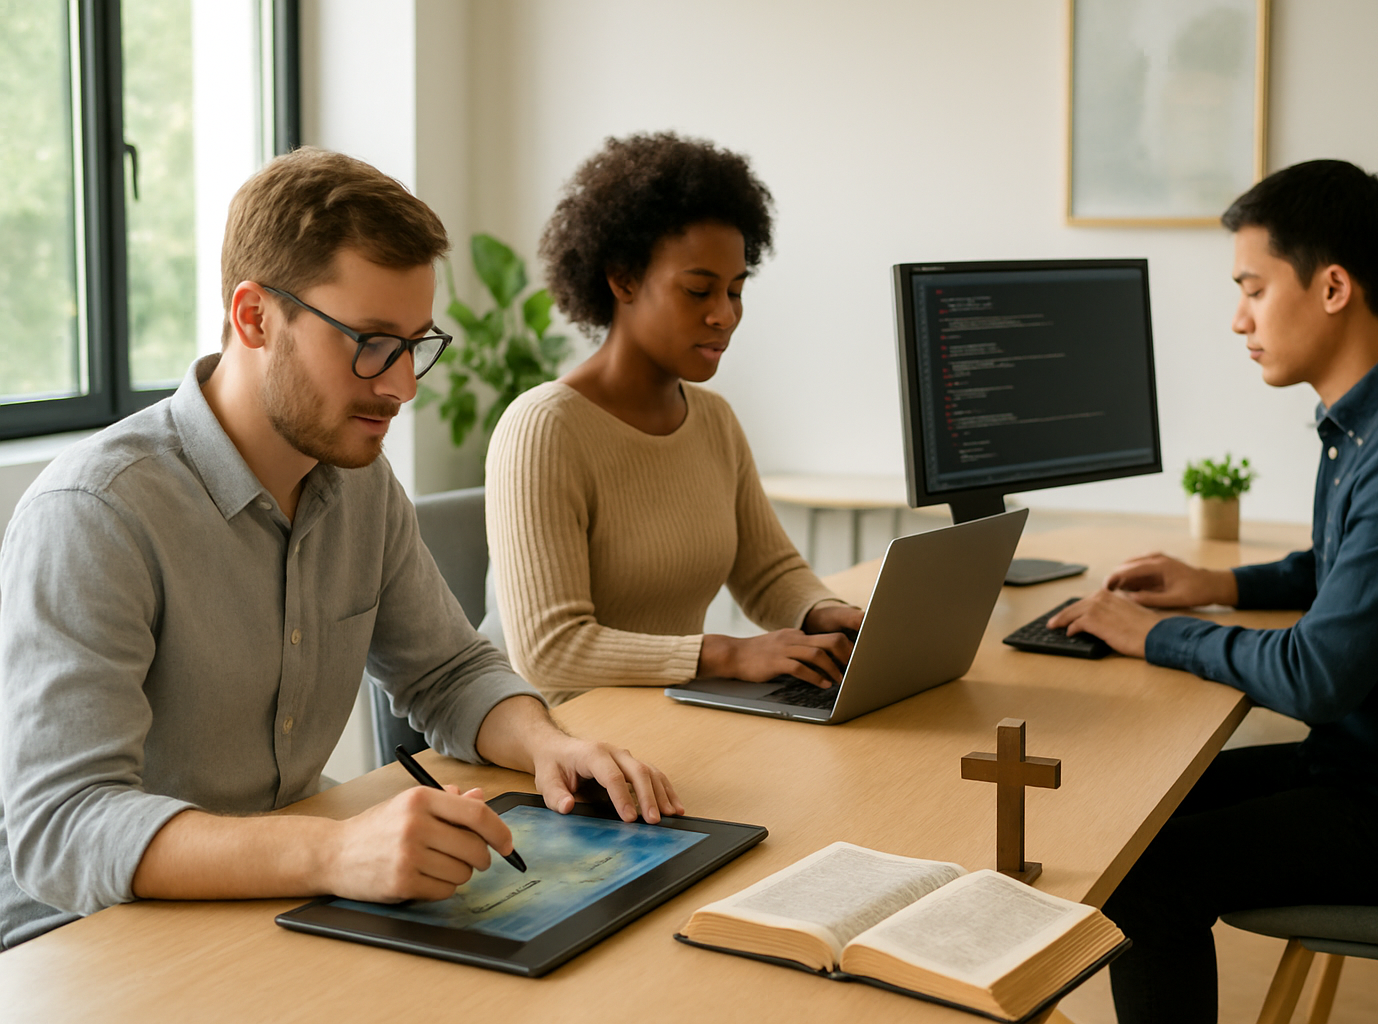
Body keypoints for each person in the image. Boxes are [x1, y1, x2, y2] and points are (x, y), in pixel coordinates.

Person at [0, 147, 681, 949]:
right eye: (370, 341)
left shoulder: (359, 483)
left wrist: (550, 746)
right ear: (254, 317)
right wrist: (336, 849)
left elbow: (447, 671)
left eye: (416, 344)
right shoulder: (97, 512)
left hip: (277, 902)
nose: (403, 387)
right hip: (87, 940)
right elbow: (63, 826)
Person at [1049, 160, 1378, 1022]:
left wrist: (1152, 634)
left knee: (1145, 875)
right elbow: (1346, 568)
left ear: (1334, 286)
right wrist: (1219, 583)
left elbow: (1318, 676)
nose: (1239, 318)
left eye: (1254, 287)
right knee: (1134, 809)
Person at [485, 132, 862, 704]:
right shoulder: (544, 429)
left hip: (677, 715)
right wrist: (727, 653)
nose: (725, 316)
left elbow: (766, 571)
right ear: (623, 279)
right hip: (567, 746)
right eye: (698, 290)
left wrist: (827, 614)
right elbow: (550, 652)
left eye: (736, 290)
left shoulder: (712, 420)